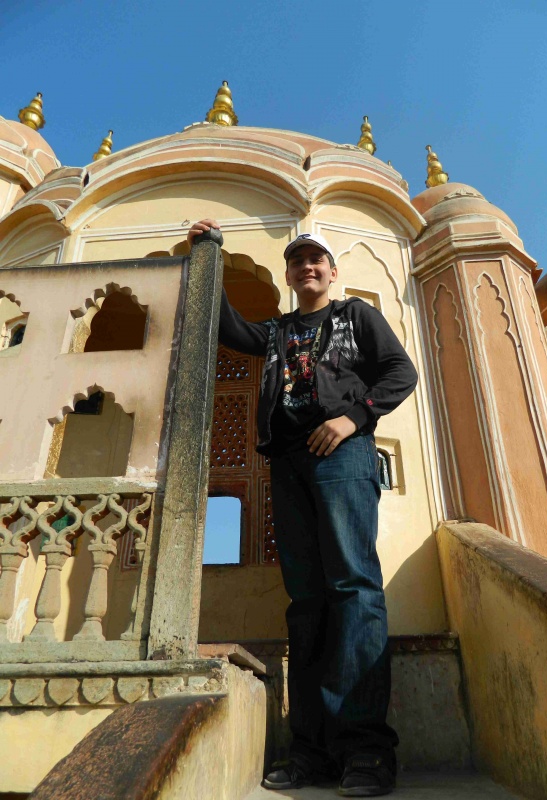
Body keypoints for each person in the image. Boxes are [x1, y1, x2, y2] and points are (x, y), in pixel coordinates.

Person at [188, 220, 418, 797]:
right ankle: (312, 750)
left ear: (332, 272)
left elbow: (401, 372)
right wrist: (208, 252)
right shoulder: (277, 332)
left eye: (316, 260)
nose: (307, 268)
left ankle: (365, 749)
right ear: (288, 276)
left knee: (353, 588)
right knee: (308, 600)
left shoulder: (355, 316)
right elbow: (228, 327)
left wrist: (353, 418)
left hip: (342, 454)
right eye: (297, 262)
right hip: (289, 462)